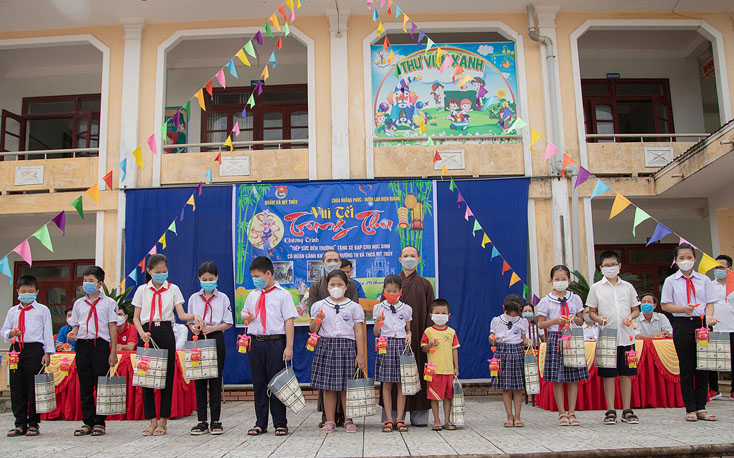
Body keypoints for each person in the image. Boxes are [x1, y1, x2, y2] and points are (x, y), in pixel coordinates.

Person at [132, 254, 204, 437]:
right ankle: (151, 422)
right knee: (146, 378)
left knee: (166, 379)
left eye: (164, 272)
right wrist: (141, 333)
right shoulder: (142, 290)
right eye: (157, 272)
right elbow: (135, 317)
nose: (161, 275)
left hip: (165, 332)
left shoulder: (173, 289)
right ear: (149, 271)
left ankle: (163, 421)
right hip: (146, 333)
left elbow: (181, 314)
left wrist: (194, 316)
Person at [661, 243, 718, 422]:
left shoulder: (704, 280)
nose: (686, 261)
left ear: (695, 259)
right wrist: (682, 309)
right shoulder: (671, 281)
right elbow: (665, 305)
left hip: (702, 324)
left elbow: (710, 302)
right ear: (676, 260)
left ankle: (701, 407)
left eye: (689, 258)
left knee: (703, 366)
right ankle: (690, 408)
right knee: (687, 367)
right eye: (681, 258)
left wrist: (709, 317)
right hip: (682, 323)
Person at [242, 256, 296, 437]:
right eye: (252, 277)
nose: (255, 279)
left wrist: (288, 347)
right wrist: (246, 317)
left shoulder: (283, 295)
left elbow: (289, 321)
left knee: (277, 384)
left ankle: (280, 422)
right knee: (259, 384)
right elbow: (245, 313)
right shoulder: (252, 295)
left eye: (257, 276)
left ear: (268, 274)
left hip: (276, 342)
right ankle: (260, 423)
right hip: (256, 342)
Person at [381, 245, 435, 427]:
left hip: (418, 338)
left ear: (418, 259)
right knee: (393, 378)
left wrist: (426, 340)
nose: (409, 258)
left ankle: (418, 416)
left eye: (412, 256)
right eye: (406, 255)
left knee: (416, 374)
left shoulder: (426, 285)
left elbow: (430, 314)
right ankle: (393, 416)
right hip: (392, 341)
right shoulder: (392, 284)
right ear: (399, 259)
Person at [587, 251, 640, 425]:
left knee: (627, 374)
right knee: (608, 375)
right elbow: (591, 312)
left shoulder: (628, 287)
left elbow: (635, 309)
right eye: (606, 265)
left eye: (613, 265)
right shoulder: (596, 288)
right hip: (607, 337)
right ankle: (610, 410)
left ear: (619, 266)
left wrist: (631, 317)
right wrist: (598, 319)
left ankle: (627, 409)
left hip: (627, 337)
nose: (610, 268)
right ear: (601, 268)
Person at [309, 269, 366, 433]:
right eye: (332, 284)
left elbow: (359, 331)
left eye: (339, 284)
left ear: (346, 286)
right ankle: (330, 420)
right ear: (327, 286)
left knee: (347, 387)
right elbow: (313, 329)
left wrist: (360, 354)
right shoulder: (319, 306)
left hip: (348, 347)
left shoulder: (354, 307)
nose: (336, 287)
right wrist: (318, 320)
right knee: (328, 387)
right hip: (326, 346)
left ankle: (348, 419)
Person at [66, 266, 119, 437]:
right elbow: (76, 324)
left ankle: (100, 422)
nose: (87, 284)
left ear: (100, 284)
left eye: (91, 281)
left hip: (100, 345)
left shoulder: (109, 303)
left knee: (101, 384)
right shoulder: (78, 304)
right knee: (85, 385)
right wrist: (73, 334)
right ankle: (87, 421)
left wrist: (113, 351)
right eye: (85, 281)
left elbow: (112, 327)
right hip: (82, 345)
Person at [2, 275, 53, 437]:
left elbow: (47, 331)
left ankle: (33, 423)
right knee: (17, 387)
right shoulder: (12, 311)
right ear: (17, 291)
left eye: (30, 291)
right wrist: (11, 333)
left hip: (34, 350)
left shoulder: (42, 310)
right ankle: (19, 423)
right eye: (23, 291)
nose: (26, 294)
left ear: (37, 292)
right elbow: (4, 331)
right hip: (16, 350)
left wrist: (47, 353)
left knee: (34, 388)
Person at [536, 265, 588, 427]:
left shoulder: (575, 298)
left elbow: (581, 320)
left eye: (563, 279)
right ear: (551, 280)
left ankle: (572, 412)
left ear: (569, 280)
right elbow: (541, 324)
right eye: (557, 279)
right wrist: (555, 321)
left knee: (573, 377)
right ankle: (562, 413)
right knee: (558, 378)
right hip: (556, 338)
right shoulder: (546, 301)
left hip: (572, 337)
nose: (560, 282)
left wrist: (574, 319)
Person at [188, 261, 232, 436]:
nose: (207, 282)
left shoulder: (223, 298)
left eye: (211, 279)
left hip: (215, 337)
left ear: (217, 278)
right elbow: (189, 320)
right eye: (204, 279)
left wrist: (212, 328)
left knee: (215, 379)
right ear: (199, 279)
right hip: (198, 339)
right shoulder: (193, 298)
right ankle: (201, 421)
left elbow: (228, 323)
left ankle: (215, 420)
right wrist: (193, 328)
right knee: (199, 380)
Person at [373, 274, 412, 433]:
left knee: (402, 384)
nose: (391, 294)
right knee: (387, 384)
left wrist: (409, 335)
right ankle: (388, 419)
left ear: (400, 291)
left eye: (395, 291)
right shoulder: (379, 308)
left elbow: (408, 329)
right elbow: (376, 333)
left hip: (401, 345)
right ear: (384, 290)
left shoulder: (407, 308)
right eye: (388, 291)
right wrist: (378, 322)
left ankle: (400, 418)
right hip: (385, 345)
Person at [489, 294, 529, 427]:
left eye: (515, 312)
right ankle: (509, 416)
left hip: (517, 351)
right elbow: (491, 338)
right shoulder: (496, 320)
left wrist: (527, 341)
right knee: (506, 387)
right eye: (509, 312)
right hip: (501, 351)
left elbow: (523, 339)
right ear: (504, 308)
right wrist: (492, 338)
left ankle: (518, 416)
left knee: (518, 387)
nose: (512, 315)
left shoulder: (522, 321)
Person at [420, 298, 459, 431]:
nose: (440, 316)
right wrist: (429, 345)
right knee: (434, 397)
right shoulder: (428, 331)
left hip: (448, 370)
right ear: (431, 315)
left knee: (448, 397)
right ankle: (436, 421)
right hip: (433, 371)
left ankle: (447, 420)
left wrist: (456, 367)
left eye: (443, 313)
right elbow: (423, 348)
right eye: (437, 313)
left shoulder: (451, 332)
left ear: (448, 315)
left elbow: (454, 350)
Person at [710, 255, 734, 400]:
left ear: (729, 269)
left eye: (721, 267)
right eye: (716, 267)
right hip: (715, 327)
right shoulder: (710, 286)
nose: (718, 270)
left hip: (732, 326)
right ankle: (713, 389)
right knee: (712, 360)